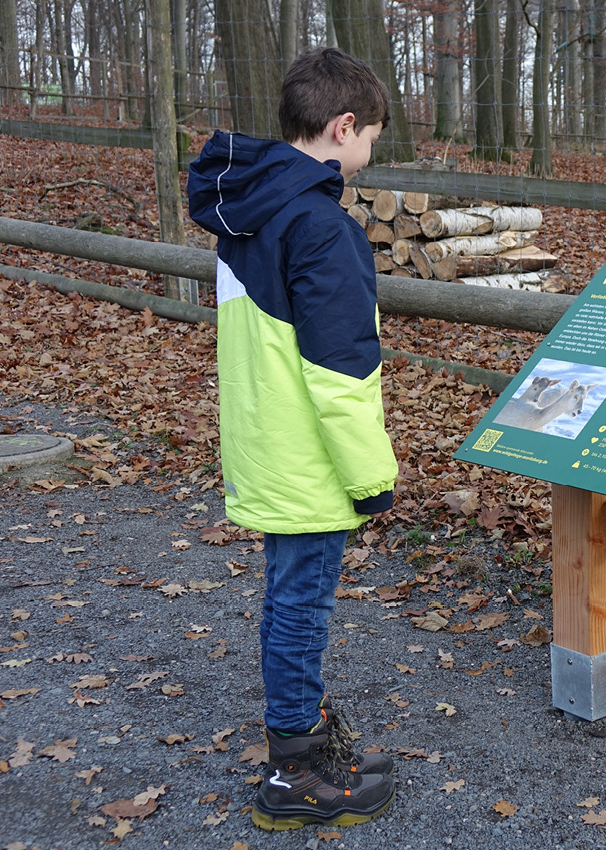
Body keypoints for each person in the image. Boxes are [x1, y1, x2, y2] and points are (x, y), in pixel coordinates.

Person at [186, 46, 399, 831]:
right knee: (302, 606)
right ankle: (295, 774)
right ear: (343, 126)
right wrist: (372, 476)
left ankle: (302, 740)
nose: (370, 153)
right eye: (372, 136)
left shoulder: (251, 211)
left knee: (287, 602)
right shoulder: (320, 225)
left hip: (265, 442)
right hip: (309, 459)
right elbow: (340, 373)